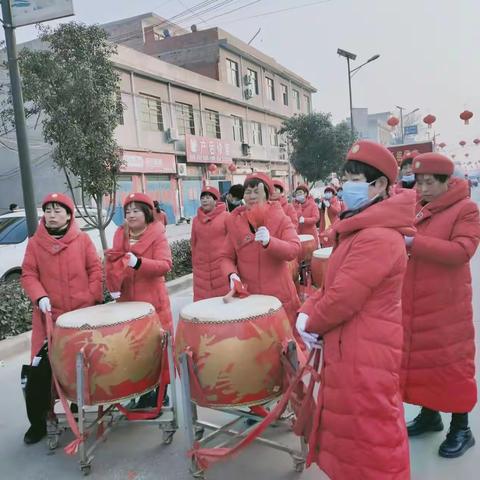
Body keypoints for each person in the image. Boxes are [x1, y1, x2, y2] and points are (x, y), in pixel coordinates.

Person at [296, 140, 415, 479]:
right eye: (345, 177)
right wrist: (307, 312)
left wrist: (311, 320)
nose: (346, 186)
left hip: (366, 350)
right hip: (352, 345)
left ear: (379, 186)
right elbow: (331, 287)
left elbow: (344, 297)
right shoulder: (358, 227)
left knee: (370, 433)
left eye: (355, 179)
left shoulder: (377, 236)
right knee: (353, 432)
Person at [401, 153, 480, 458]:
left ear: (448, 182)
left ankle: (462, 428)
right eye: (418, 182)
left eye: (430, 182)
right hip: (416, 303)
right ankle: (430, 415)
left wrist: (413, 243)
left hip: (448, 306)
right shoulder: (418, 208)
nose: (422, 188)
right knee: (423, 362)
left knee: (452, 366)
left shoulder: (467, 209)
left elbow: (462, 250)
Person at [21, 193, 103, 445]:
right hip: (48, 319)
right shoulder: (35, 243)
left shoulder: (82, 239)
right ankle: (39, 422)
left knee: (83, 365)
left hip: (80, 317)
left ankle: (80, 405)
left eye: (58, 211)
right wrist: (40, 296)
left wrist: (90, 298)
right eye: (48, 211)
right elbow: (28, 274)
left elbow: (95, 270)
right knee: (40, 373)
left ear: (69, 215)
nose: (52, 215)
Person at [106, 192, 173, 409]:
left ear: (146, 213)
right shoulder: (120, 234)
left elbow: (165, 265)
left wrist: (138, 263)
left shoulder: (157, 234)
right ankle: (140, 392)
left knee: (155, 353)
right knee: (133, 352)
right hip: (127, 305)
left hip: (153, 305)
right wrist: (112, 283)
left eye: (136, 211)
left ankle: (160, 395)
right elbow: (113, 261)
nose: (131, 215)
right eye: (127, 211)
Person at [220, 173, 300, 326]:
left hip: (279, 297)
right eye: (248, 192)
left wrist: (271, 242)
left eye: (257, 191)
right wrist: (231, 275)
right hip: (250, 298)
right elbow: (226, 257)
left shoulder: (281, 218)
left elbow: (294, 249)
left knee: (284, 344)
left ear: (267, 195)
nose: (251, 196)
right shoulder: (235, 222)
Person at [191, 186, 229, 301]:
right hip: (201, 270)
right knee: (203, 306)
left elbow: (232, 241)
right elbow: (194, 242)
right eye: (202, 198)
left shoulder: (226, 217)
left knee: (222, 307)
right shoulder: (195, 220)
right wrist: (195, 262)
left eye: (208, 197)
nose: (204, 200)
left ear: (215, 200)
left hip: (221, 268)